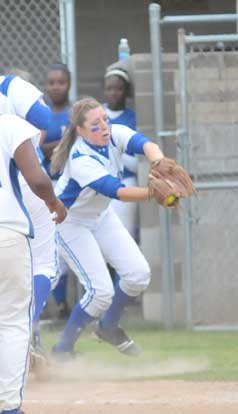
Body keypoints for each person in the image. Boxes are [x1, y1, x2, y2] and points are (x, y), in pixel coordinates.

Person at [50, 97, 166, 358]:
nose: (104, 126)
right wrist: (153, 193)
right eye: (95, 123)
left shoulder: (113, 133)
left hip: (100, 216)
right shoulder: (80, 158)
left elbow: (145, 144)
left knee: (138, 274)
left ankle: (109, 327)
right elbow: (117, 191)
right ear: (79, 130)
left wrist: (159, 162)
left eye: (105, 118)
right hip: (70, 222)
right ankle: (62, 350)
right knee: (100, 291)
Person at [0, 113, 66, 414]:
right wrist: (53, 202)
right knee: (12, 323)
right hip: (8, 234)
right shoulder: (10, 124)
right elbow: (37, 179)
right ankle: (9, 407)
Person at [40, 63, 72, 319]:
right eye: (51, 82)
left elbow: (79, 144)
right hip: (46, 186)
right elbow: (37, 150)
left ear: (68, 84)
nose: (56, 87)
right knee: (52, 246)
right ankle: (59, 304)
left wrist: (58, 147)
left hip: (70, 185)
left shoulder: (74, 113)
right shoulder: (42, 113)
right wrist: (61, 144)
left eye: (60, 82)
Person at [103, 67, 138, 239]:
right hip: (101, 182)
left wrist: (115, 150)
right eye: (109, 88)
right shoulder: (98, 115)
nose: (114, 93)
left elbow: (138, 164)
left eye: (119, 88)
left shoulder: (133, 118)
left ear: (126, 91)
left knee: (124, 236)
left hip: (126, 181)